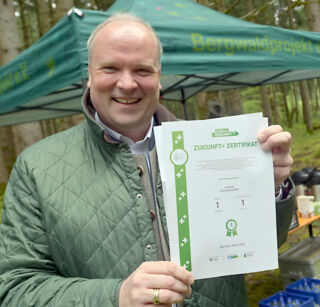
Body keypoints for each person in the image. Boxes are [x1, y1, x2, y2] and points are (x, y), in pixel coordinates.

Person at [0, 13, 295, 307]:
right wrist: (115, 297)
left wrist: (269, 188)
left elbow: (266, 242)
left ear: (159, 77)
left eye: (142, 70)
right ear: (89, 74)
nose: (127, 84)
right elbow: (14, 289)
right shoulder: (36, 168)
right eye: (111, 68)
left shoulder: (209, 148)